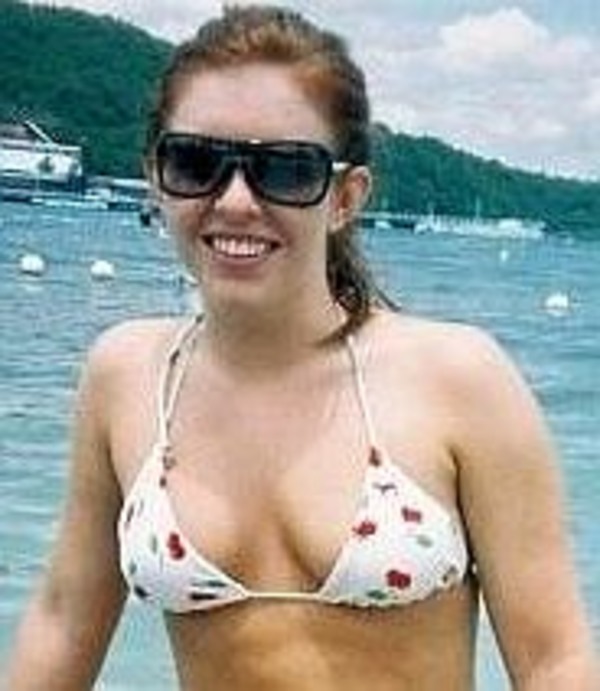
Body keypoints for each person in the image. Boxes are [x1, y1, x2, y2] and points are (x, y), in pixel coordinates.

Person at [5, 5, 598, 690]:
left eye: (284, 171)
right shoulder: (128, 373)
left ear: (345, 197)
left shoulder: (458, 378)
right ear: (157, 177)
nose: (234, 200)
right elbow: (61, 622)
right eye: (195, 162)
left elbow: (555, 659)